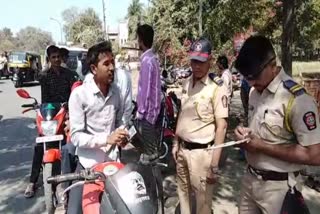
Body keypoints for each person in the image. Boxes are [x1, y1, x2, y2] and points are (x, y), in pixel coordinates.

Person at [234, 35, 320, 214]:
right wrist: (244, 135)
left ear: (272, 65)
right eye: (247, 77)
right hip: (250, 180)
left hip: (279, 189)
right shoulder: (254, 92)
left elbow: (314, 156)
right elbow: (257, 132)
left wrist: (261, 146)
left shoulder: (297, 99)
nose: (251, 82)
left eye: (255, 76)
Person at [67, 41, 129, 213]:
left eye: (113, 63)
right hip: (88, 165)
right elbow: (76, 136)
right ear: (94, 69)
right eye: (106, 64)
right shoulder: (79, 95)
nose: (112, 68)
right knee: (74, 211)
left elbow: (119, 123)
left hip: (113, 164)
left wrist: (122, 136)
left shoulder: (117, 92)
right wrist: (106, 139)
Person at [172, 38, 229, 214]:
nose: (196, 66)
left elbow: (222, 127)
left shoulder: (216, 88)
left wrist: (214, 165)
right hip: (182, 150)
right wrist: (176, 142)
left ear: (210, 61)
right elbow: (182, 115)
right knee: (183, 196)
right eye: (194, 61)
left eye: (201, 62)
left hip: (202, 155)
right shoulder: (187, 83)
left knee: (203, 203)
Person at [24, 45, 77, 198]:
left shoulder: (70, 75)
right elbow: (44, 99)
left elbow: (75, 93)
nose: (56, 59)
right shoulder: (44, 76)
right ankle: (32, 182)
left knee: (71, 144)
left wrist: (69, 106)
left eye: (58, 57)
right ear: (49, 59)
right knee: (39, 145)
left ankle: (71, 180)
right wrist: (41, 109)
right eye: (53, 57)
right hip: (51, 115)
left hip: (66, 114)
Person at [135, 24, 162, 158]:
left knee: (150, 154)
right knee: (149, 152)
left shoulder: (147, 60)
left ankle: (153, 178)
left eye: (138, 38)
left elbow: (145, 90)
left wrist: (140, 112)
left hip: (147, 115)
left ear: (141, 40)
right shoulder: (153, 58)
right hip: (153, 111)